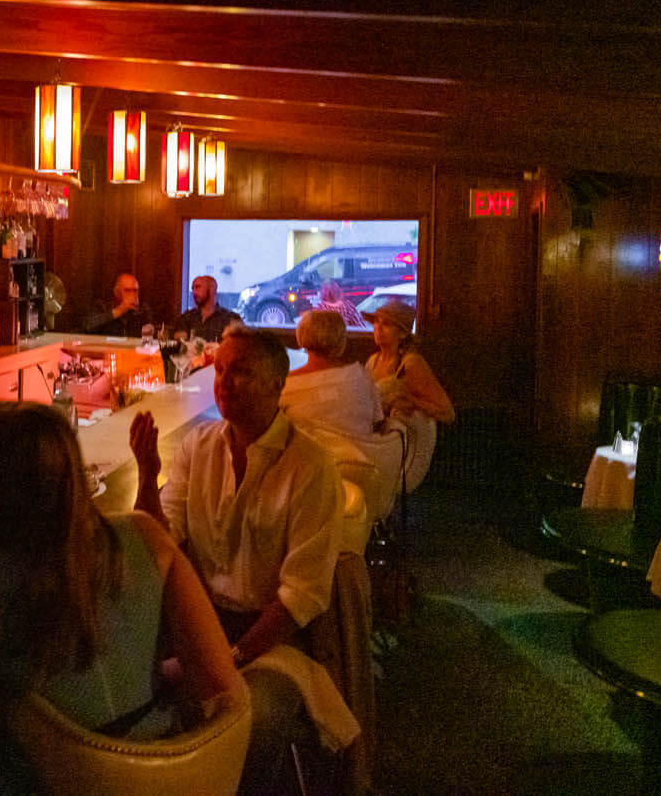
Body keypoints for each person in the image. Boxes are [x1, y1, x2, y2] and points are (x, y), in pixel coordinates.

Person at [0, 402, 244, 790]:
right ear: (74, 466)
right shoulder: (147, 535)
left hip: (54, 779)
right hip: (170, 772)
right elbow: (220, 680)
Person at [131, 326, 345, 794]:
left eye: (242, 371)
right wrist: (148, 478)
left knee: (245, 724)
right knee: (123, 688)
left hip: (276, 641)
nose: (224, 381)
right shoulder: (198, 447)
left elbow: (300, 598)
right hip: (201, 623)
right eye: (221, 369)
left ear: (277, 385)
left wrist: (229, 658)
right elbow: (160, 543)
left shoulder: (310, 467)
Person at [364, 297, 454, 493]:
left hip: (405, 452)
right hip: (379, 439)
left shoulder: (410, 363)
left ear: (403, 333)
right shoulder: (372, 361)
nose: (378, 329)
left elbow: (447, 412)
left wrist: (411, 401)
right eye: (376, 322)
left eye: (386, 324)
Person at [281, 309, 384, 440]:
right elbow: (377, 421)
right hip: (360, 458)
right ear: (342, 340)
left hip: (306, 459)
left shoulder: (286, 386)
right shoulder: (362, 377)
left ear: (301, 337)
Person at [174, 274, 242, 344]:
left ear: (212, 289)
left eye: (198, 287)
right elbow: (178, 346)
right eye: (192, 288)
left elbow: (238, 348)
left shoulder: (231, 319)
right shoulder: (186, 318)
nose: (194, 292)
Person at [87, 271, 155, 338]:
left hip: (132, 348)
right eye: (127, 290)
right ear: (117, 292)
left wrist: (138, 314)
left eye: (135, 290)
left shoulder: (143, 310)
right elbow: (88, 327)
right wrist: (119, 310)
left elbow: (151, 336)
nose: (132, 294)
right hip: (109, 348)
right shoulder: (102, 306)